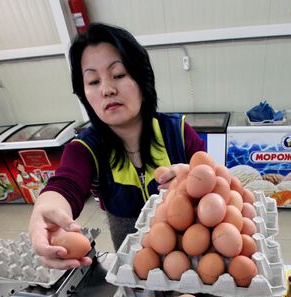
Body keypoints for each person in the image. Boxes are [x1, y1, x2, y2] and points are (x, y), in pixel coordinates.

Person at [29, 23, 205, 270]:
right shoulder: (85, 149)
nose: (107, 90)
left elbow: (216, 184)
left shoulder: (178, 133)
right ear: (84, 94)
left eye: (119, 75)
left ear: (142, 79)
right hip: (132, 271)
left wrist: (192, 180)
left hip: (197, 266)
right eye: (93, 81)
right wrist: (46, 209)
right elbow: (65, 184)